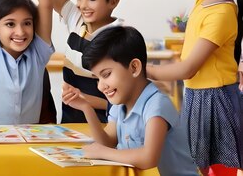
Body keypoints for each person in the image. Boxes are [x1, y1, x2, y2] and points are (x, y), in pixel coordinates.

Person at [147, 0, 243, 175]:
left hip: (216, 100)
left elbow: (188, 68)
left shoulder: (223, 13)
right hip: (198, 96)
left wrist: (144, 70)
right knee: (198, 166)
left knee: (217, 168)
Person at [63, 25, 198, 175]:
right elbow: (107, 141)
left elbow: (148, 158)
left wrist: (103, 152)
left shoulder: (157, 105)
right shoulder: (119, 104)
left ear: (134, 67)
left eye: (106, 74)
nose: (101, 86)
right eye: (97, 78)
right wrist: (86, 107)